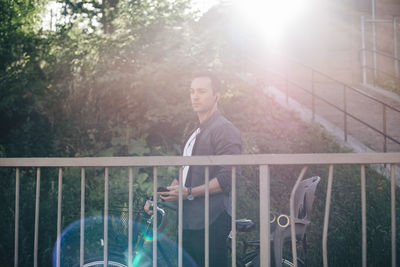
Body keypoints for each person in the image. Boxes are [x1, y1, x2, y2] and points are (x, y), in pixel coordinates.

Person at [144, 71, 241, 267]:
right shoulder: (196, 131)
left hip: (211, 221)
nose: (195, 96)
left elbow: (229, 178)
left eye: (202, 91)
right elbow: (184, 172)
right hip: (189, 221)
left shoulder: (224, 129)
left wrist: (189, 193)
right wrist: (158, 198)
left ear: (216, 96)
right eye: (192, 91)